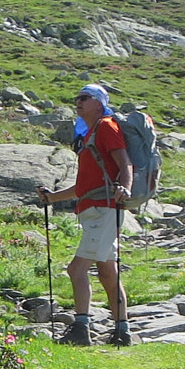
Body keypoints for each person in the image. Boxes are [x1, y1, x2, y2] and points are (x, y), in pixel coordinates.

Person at [39, 83, 131, 346]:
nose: (77, 101)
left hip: (105, 210)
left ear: (99, 102)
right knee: (107, 273)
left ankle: (81, 329)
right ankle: (122, 332)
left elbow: (125, 162)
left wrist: (126, 187)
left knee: (76, 269)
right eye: (77, 97)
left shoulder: (106, 126)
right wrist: (52, 198)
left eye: (84, 97)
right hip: (96, 210)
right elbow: (84, 187)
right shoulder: (91, 134)